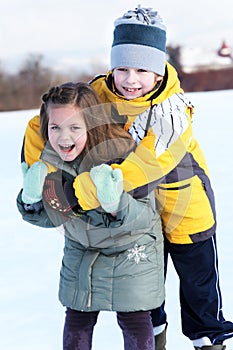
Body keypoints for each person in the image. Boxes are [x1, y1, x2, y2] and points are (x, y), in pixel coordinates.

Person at [19, 6, 233, 350]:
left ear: (159, 70)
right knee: (146, 286)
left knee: (198, 283)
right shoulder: (97, 95)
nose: (131, 79)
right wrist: (41, 175)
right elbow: (42, 124)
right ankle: (155, 338)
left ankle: (209, 340)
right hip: (134, 216)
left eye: (142, 70)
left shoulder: (173, 110)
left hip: (185, 209)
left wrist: (85, 191)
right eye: (122, 69)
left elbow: (149, 163)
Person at [17, 82, 165, 350]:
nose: (64, 138)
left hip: (131, 250)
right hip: (82, 247)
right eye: (55, 127)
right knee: (77, 316)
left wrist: (115, 202)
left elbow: (145, 216)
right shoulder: (51, 160)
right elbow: (55, 215)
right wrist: (32, 202)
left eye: (75, 128)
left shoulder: (123, 153)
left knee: (133, 317)